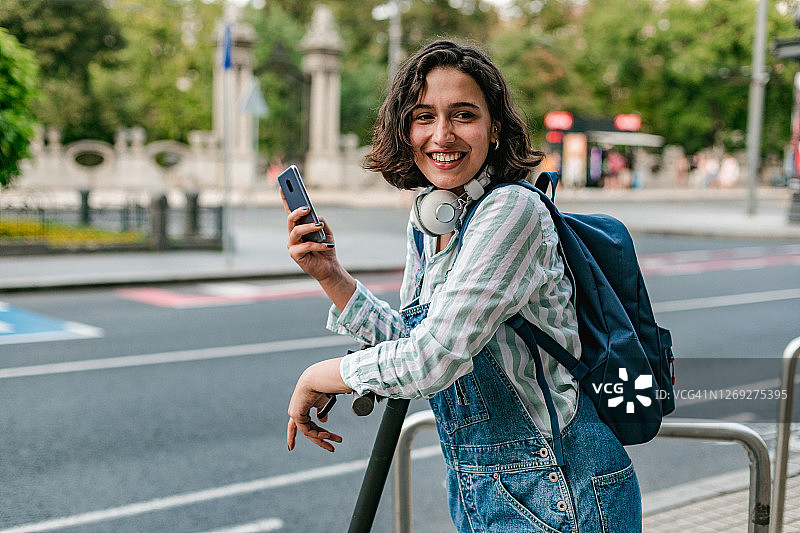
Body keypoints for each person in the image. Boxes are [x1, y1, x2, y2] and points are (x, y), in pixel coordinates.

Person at [284, 40, 641, 533]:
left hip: (560, 489)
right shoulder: (433, 217)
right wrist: (331, 275)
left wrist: (324, 374)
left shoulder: (510, 211)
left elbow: (435, 359)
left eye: (463, 114)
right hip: (487, 488)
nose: (442, 134)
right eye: (423, 115)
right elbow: (414, 344)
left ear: (494, 128)